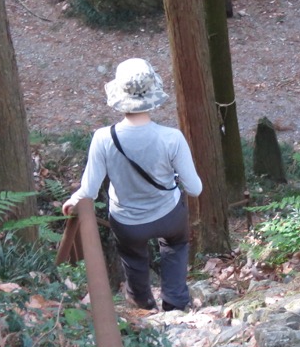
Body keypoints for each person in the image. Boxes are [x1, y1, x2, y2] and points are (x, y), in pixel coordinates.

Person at [62, 58, 203, 312]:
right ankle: (175, 303)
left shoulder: (103, 138)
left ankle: (142, 306)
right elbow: (194, 188)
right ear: (153, 93)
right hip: (169, 215)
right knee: (175, 245)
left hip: (127, 222)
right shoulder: (172, 138)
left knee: (134, 258)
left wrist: (75, 200)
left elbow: (89, 191)